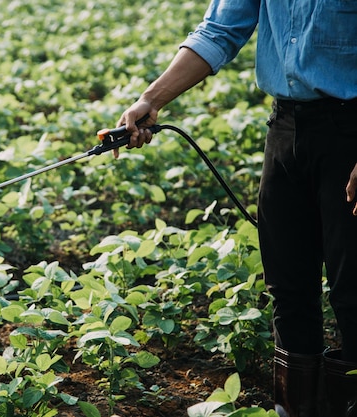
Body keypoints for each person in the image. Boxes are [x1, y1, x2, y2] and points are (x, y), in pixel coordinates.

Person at [115, 1, 357, 416]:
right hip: (286, 128)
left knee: (354, 290)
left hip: (351, 134)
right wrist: (150, 99)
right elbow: (218, 32)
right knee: (289, 289)